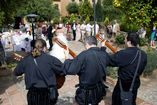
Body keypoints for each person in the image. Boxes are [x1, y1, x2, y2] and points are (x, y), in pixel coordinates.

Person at [13, 39, 64, 105]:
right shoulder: (51, 59)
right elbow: (62, 70)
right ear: (44, 48)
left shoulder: (26, 60)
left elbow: (16, 72)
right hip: (48, 94)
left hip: (33, 95)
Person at [102, 32, 147, 105]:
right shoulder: (143, 54)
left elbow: (108, 60)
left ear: (129, 41)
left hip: (122, 86)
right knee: (131, 101)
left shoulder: (123, 53)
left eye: (125, 39)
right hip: (134, 84)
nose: (124, 41)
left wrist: (103, 48)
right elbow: (141, 69)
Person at [63, 36, 108, 105]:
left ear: (86, 44)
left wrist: (66, 57)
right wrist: (103, 46)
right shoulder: (103, 54)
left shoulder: (84, 55)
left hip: (87, 93)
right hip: (99, 90)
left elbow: (70, 69)